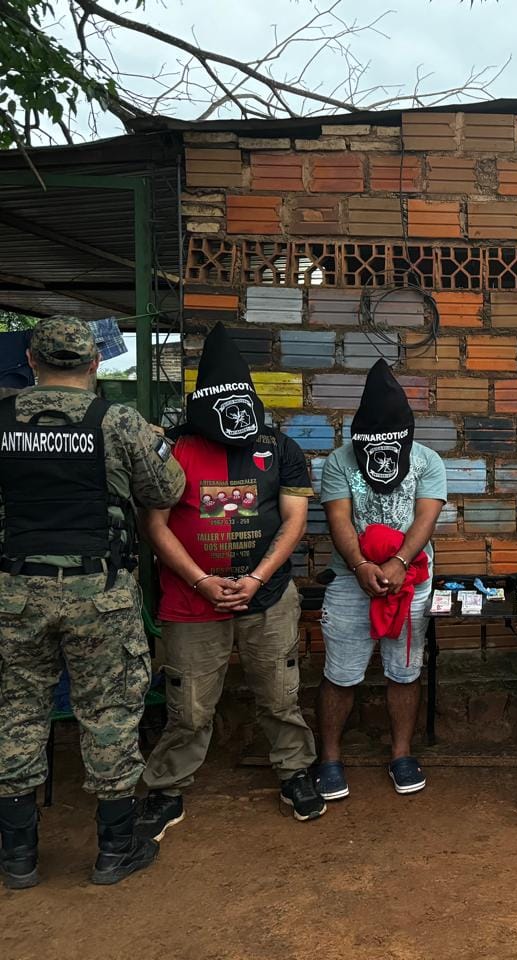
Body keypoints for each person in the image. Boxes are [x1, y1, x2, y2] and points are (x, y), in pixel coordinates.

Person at [0, 316, 185, 889]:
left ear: (31, 360)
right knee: (109, 715)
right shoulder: (118, 421)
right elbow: (167, 490)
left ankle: (18, 856)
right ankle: (114, 848)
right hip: (99, 593)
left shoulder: (1, 419)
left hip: (14, 593)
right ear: (94, 364)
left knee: (15, 714)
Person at [134, 322, 325, 842]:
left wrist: (258, 575)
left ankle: (294, 773)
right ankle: (168, 787)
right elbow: (153, 525)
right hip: (190, 601)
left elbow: (294, 520)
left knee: (280, 693)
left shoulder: (278, 447)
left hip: (267, 595)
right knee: (189, 705)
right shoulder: (172, 450)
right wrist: (200, 581)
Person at [314, 360, 446, 800]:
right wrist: (359, 566)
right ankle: (329, 758)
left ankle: (401, 754)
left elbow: (426, 517)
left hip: (410, 578)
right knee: (341, 674)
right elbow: (339, 519)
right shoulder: (338, 461)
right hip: (352, 579)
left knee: (404, 671)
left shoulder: (427, 461)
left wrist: (400, 563)